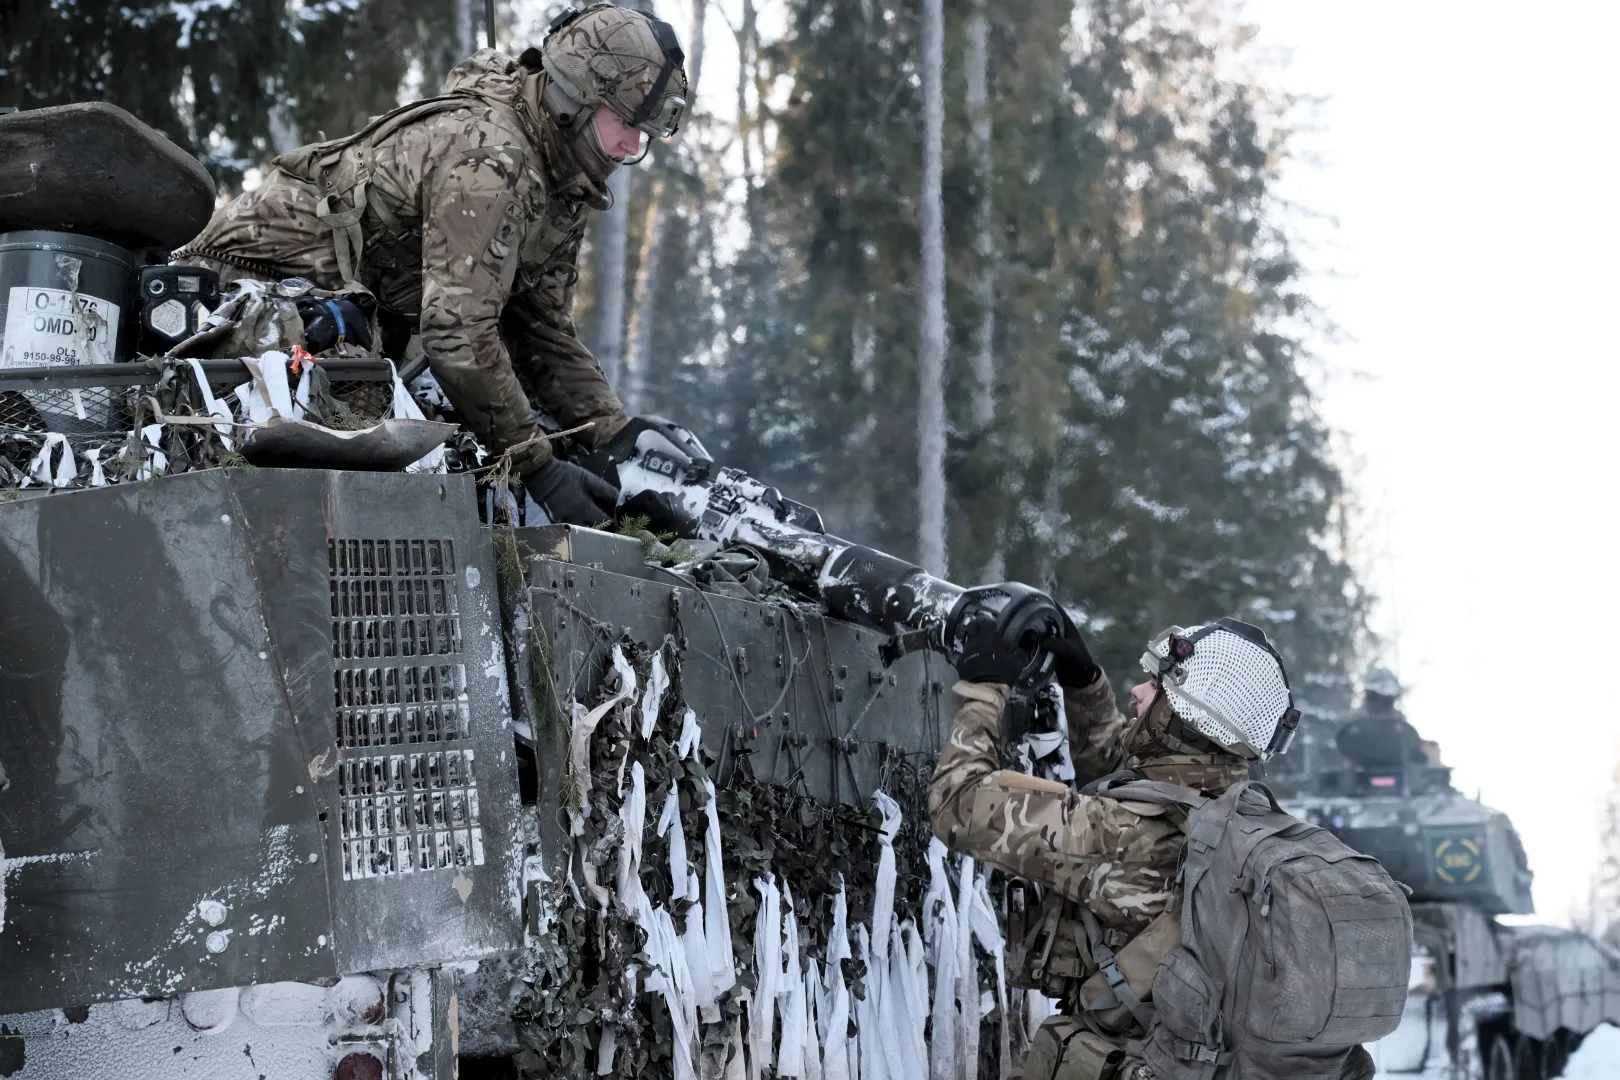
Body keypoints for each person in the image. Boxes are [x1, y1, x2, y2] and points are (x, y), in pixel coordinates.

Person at [175, 3, 689, 526]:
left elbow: (542, 332)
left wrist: (614, 436)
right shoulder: (492, 159)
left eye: (644, 133)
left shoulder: (561, 174)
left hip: (339, 314)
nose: (631, 146)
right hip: (245, 291)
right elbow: (458, 332)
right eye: (625, 122)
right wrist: (538, 467)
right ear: (574, 99)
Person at [929, 610, 1303, 1080]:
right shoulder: (1236, 812)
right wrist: (1085, 683)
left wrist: (985, 689)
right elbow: (1123, 775)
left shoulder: (1124, 834)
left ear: (1185, 719)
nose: (1139, 691)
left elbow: (957, 803)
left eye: (1158, 687)